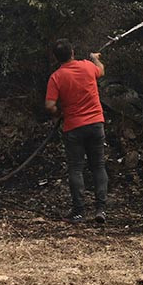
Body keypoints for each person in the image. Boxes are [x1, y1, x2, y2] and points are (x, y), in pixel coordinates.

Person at [44, 39, 108, 224]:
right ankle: (101, 209)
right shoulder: (88, 66)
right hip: (96, 124)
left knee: (76, 168)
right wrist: (95, 59)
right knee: (98, 166)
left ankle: (79, 212)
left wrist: (58, 113)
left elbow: (49, 105)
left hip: (73, 127)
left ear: (56, 58)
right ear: (73, 52)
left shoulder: (56, 77)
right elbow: (101, 71)